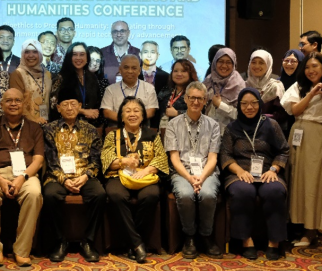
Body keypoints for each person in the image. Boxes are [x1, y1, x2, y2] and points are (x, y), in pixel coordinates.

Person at [220, 88, 289, 260]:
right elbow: (226, 154)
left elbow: (283, 151)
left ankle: (274, 242)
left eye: (253, 103)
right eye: (244, 103)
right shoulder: (232, 127)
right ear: (239, 105)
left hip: (267, 171)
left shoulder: (271, 125)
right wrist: (239, 171)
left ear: (259, 104)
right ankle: (246, 241)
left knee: (274, 191)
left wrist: (274, 169)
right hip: (239, 172)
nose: (249, 107)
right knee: (243, 191)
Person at [280, 52, 322, 246]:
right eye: (307, 67)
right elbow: (295, 110)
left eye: (315, 66)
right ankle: (297, 225)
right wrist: (312, 93)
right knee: (297, 180)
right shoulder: (298, 87)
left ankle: (311, 230)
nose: (311, 70)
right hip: (298, 134)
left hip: (318, 137)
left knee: (314, 183)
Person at [0, 88, 44, 267]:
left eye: (17, 100)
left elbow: (38, 159)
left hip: (25, 174)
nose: (13, 104)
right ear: (1, 104)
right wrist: (0, 180)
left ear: (24, 104)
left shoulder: (34, 127)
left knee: (34, 193)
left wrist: (22, 178)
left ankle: (22, 250)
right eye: (9, 100)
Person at [101, 97, 169, 263]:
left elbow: (161, 159)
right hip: (119, 175)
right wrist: (124, 161)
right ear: (121, 116)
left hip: (145, 176)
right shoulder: (112, 135)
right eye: (128, 111)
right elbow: (106, 160)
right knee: (116, 195)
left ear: (143, 115)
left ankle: (132, 243)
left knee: (151, 195)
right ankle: (138, 243)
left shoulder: (152, 134)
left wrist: (145, 170)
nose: (132, 114)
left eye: (136, 110)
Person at [43, 88, 106, 263]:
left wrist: (85, 176)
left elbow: (96, 160)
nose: (69, 108)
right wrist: (64, 180)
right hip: (57, 176)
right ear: (58, 108)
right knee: (49, 195)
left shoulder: (90, 129)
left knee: (100, 194)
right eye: (65, 105)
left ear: (79, 106)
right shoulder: (49, 129)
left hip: (84, 175)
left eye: (73, 104)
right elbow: (50, 160)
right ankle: (60, 241)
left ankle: (88, 241)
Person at [164, 81, 222, 259]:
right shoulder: (173, 124)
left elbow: (213, 158)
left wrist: (201, 177)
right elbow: (174, 159)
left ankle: (206, 236)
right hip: (182, 171)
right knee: (186, 193)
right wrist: (190, 178)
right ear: (186, 99)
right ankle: (189, 237)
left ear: (205, 101)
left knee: (208, 194)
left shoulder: (213, 125)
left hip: (207, 171)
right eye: (192, 98)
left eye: (200, 98)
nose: (196, 102)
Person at [49, 42, 102, 126]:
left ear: (87, 58)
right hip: (67, 125)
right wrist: (82, 111)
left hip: (90, 126)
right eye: (74, 54)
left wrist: (94, 113)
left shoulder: (92, 77)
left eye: (82, 54)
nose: (78, 58)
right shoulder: (61, 78)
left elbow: (98, 101)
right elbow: (54, 105)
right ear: (69, 57)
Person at [101, 54, 158, 128]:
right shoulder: (110, 90)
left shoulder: (149, 88)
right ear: (120, 70)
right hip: (118, 132)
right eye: (126, 68)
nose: (130, 71)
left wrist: (135, 121)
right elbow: (107, 112)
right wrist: (127, 120)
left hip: (143, 133)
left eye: (134, 68)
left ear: (139, 71)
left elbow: (151, 111)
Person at [203, 48, 246, 134]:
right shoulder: (208, 80)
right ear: (215, 62)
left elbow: (242, 114)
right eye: (221, 61)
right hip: (206, 132)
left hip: (229, 134)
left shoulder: (238, 84)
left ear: (234, 64)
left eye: (228, 62)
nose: (224, 66)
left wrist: (220, 105)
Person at [9, 39, 52, 124]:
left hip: (47, 123)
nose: (31, 55)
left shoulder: (47, 74)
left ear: (40, 54)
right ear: (22, 54)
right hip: (26, 124)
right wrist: (34, 120)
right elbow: (17, 103)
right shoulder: (17, 74)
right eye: (27, 52)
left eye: (35, 52)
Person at [245, 50, 287, 125]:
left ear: (268, 65)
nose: (257, 66)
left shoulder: (275, 86)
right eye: (253, 62)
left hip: (268, 130)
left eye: (261, 63)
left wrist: (259, 118)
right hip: (246, 130)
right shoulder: (244, 86)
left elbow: (281, 115)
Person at [156, 59, 198, 129]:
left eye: (183, 71)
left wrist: (177, 113)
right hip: (163, 132)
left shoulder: (195, 92)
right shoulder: (165, 90)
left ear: (190, 73)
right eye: (175, 71)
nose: (179, 74)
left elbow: (198, 114)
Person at [279, 49, 305, 136]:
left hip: (299, 126)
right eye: (286, 60)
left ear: (301, 64)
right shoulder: (276, 82)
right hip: (279, 126)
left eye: (293, 61)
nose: (289, 64)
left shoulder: (304, 84)